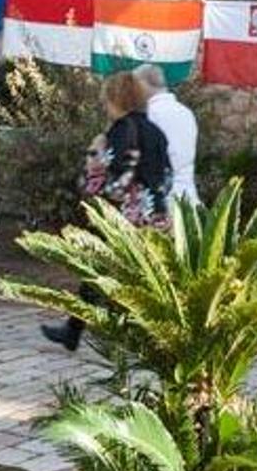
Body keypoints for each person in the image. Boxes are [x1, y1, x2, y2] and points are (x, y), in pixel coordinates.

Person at [41, 71, 172, 351]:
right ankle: (77, 330)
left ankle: (77, 331)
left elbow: (112, 182)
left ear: (116, 99)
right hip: (155, 215)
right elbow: (167, 177)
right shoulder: (156, 132)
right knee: (143, 278)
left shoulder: (121, 131)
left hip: (124, 217)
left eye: (106, 101)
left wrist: (93, 155)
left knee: (97, 271)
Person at [133, 63, 198, 203]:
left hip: (159, 198)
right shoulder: (186, 112)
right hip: (189, 195)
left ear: (142, 85)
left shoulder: (149, 115)